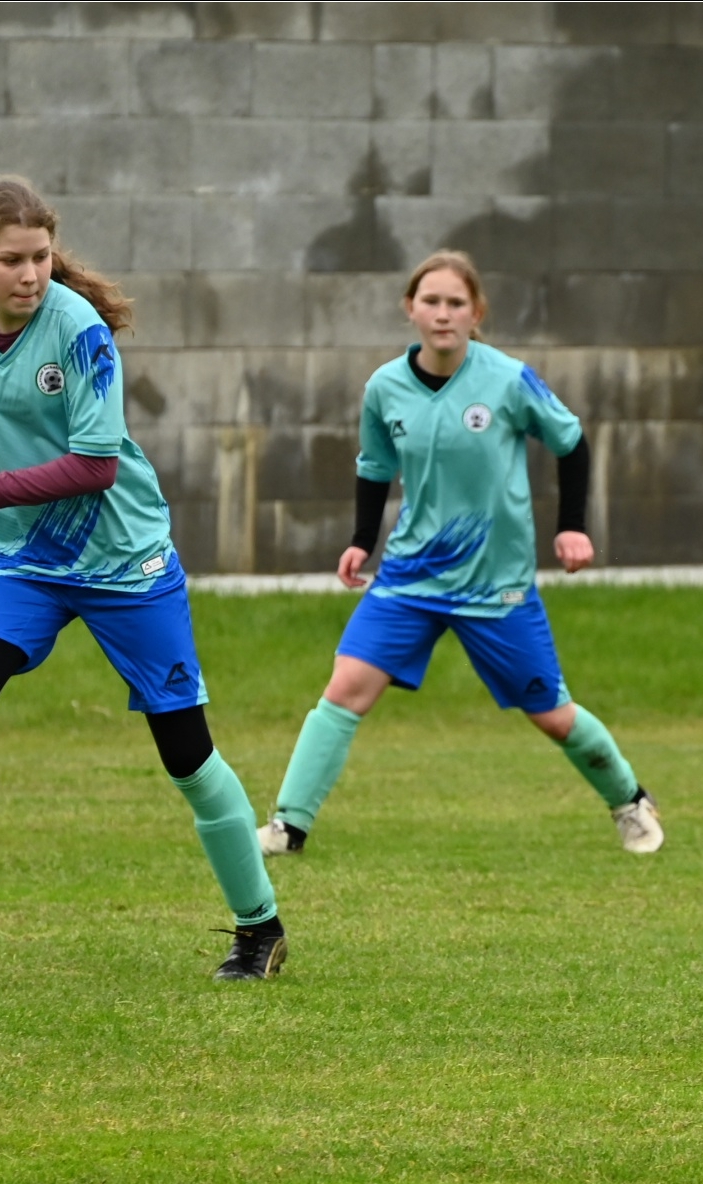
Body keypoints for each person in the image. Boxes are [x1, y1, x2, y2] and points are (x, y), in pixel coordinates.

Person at [0, 176, 287, 981]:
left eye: (41, 256)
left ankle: (260, 928)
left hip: (127, 564)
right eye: (12, 259)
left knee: (186, 754)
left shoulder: (80, 332)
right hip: (26, 566)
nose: (31, 274)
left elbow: (96, 466)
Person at [259, 250, 663, 859]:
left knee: (553, 715)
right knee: (345, 689)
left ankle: (630, 800)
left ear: (477, 312)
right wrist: (361, 541)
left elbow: (571, 440)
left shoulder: (509, 379)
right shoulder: (385, 387)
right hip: (410, 577)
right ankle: (288, 827)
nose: (443, 313)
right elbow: (374, 467)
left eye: (456, 303)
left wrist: (572, 527)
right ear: (410, 308)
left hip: (496, 584)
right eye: (431, 301)